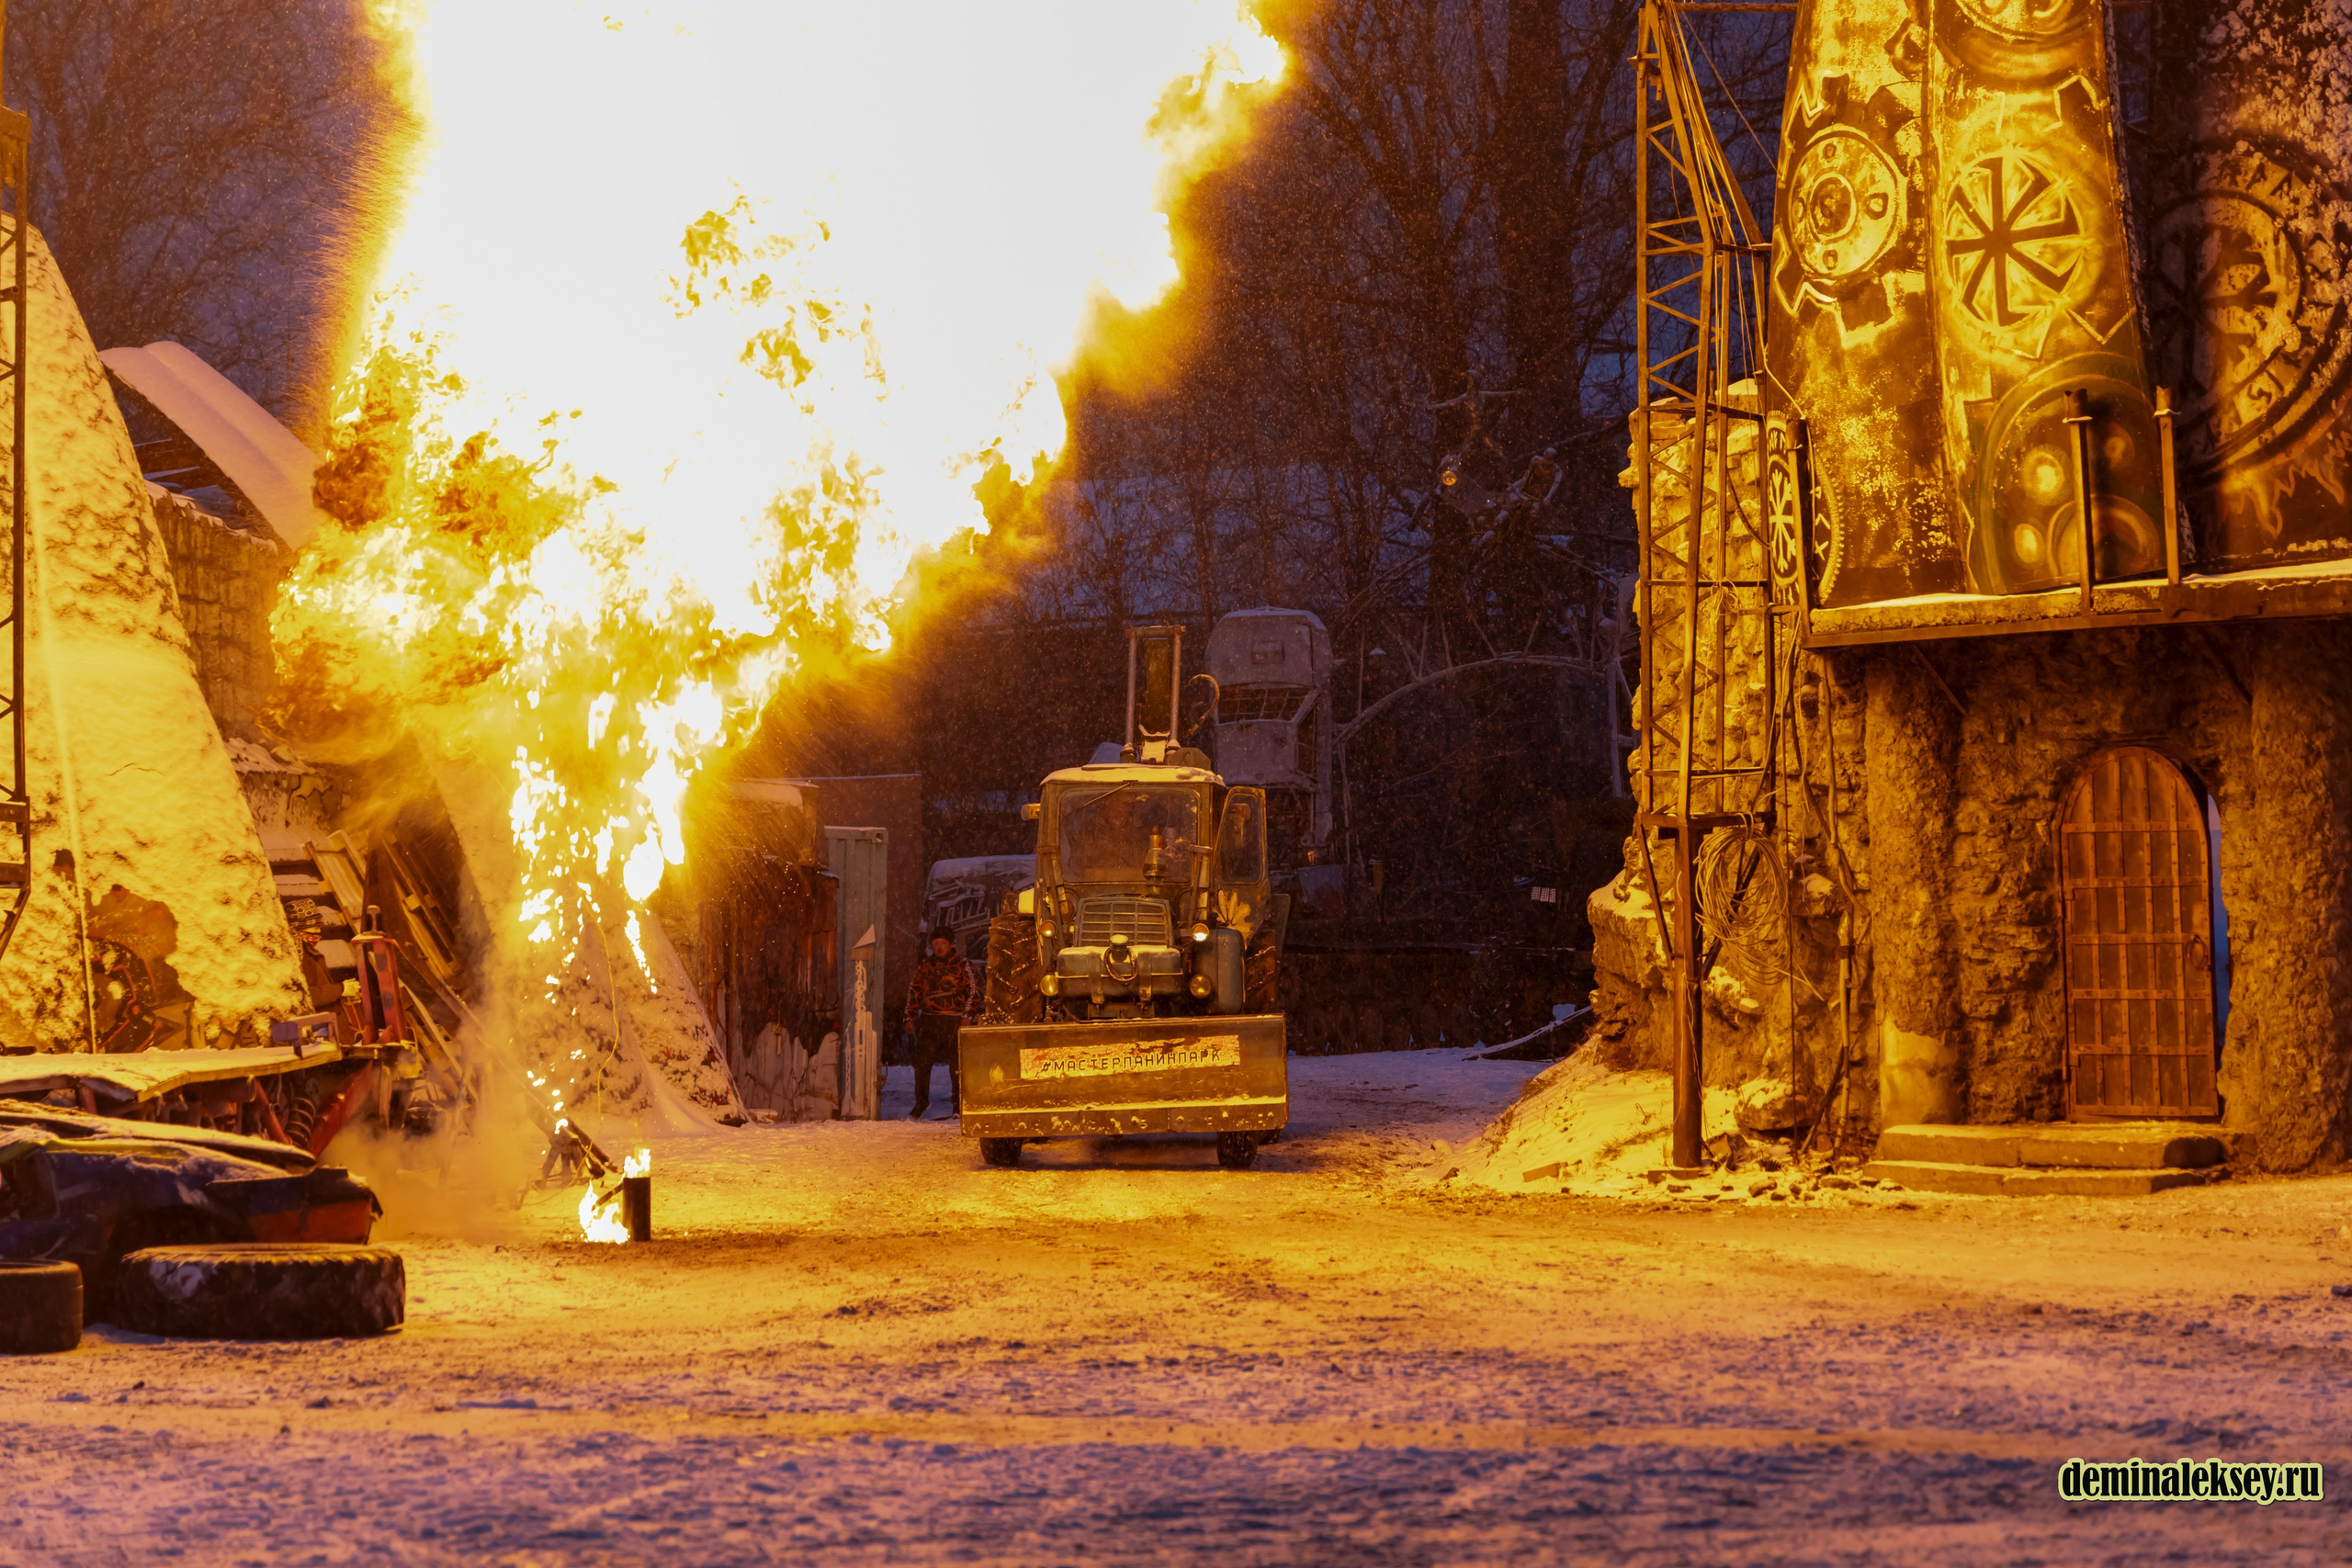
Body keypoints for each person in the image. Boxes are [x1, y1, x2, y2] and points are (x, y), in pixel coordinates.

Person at [903, 931, 978, 1118]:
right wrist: (909, 1016)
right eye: (935, 943)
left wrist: (967, 1015)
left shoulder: (962, 964)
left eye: (943, 942)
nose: (939, 947)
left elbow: (973, 990)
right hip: (931, 1020)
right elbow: (915, 990)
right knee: (922, 1063)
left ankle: (958, 1106)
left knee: (957, 1065)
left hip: (955, 1020)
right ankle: (922, 1101)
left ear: (951, 944)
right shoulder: (926, 965)